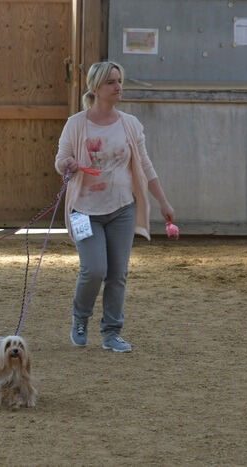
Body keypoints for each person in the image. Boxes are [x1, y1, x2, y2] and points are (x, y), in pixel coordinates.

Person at [54, 61, 175, 352]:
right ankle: (80, 319)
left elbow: (145, 165)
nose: (118, 87)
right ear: (95, 87)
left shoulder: (130, 125)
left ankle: (111, 332)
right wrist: (67, 165)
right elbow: (61, 159)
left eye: (119, 80)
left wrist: (163, 201)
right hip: (84, 210)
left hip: (122, 208)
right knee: (94, 269)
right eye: (111, 82)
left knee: (117, 273)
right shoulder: (76, 124)